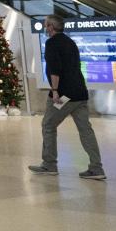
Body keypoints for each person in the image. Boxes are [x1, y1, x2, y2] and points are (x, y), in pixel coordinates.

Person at [29, 15, 105, 180]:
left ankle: (49, 164)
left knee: (48, 124)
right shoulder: (70, 42)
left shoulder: (52, 43)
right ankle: (96, 167)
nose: (44, 28)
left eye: (45, 25)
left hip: (63, 95)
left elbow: (54, 69)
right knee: (85, 130)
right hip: (80, 93)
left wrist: (55, 90)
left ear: (50, 27)